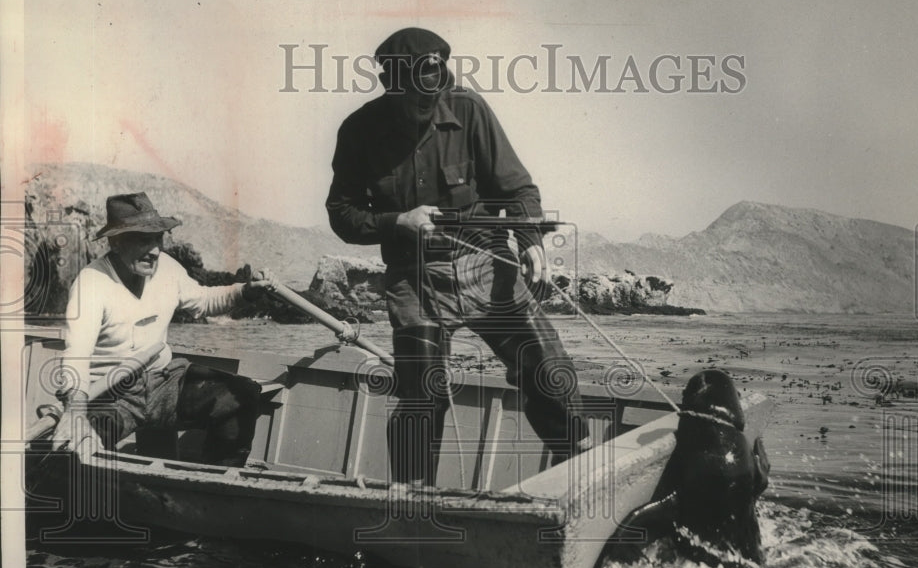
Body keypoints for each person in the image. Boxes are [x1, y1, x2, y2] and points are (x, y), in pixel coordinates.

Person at [326, 27, 591, 485]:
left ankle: (582, 467)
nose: (426, 104)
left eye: (433, 93)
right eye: (415, 97)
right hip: (414, 279)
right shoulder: (358, 130)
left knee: (546, 367)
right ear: (391, 86)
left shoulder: (470, 109)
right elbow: (342, 214)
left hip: (485, 266)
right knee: (422, 393)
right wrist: (398, 221)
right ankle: (413, 497)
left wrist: (531, 240)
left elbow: (518, 190)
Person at [53, 192, 278, 466]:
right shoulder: (91, 283)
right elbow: (76, 353)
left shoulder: (167, 269)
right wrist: (75, 411)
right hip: (112, 396)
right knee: (79, 449)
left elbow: (204, 301)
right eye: (143, 240)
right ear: (116, 242)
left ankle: (217, 482)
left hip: (164, 382)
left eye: (158, 239)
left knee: (242, 395)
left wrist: (247, 291)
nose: (155, 250)